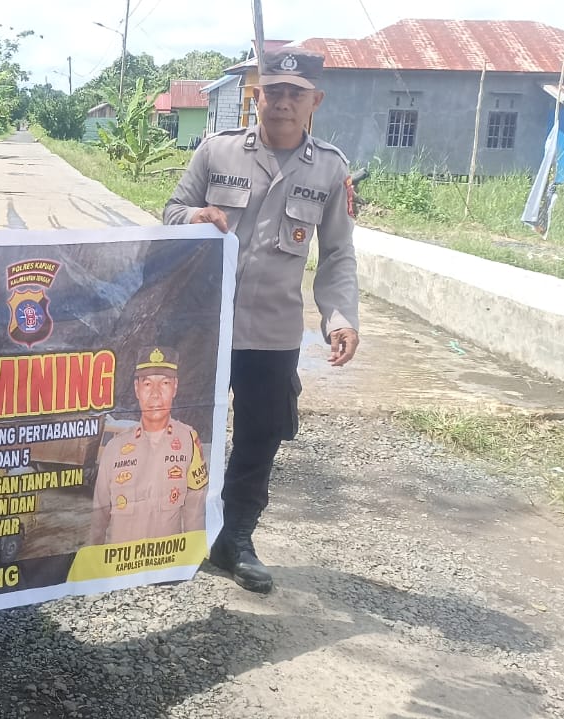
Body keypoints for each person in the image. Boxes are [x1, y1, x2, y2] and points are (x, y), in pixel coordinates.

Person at [161, 48, 359, 594]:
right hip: (203, 323)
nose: (283, 102)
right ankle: (171, 538)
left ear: (315, 101)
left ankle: (235, 540)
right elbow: (171, 212)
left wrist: (340, 318)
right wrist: (195, 216)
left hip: (272, 333)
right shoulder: (216, 151)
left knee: (259, 437)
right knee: (185, 430)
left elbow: (338, 254)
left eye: (297, 93)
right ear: (257, 96)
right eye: (274, 91)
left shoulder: (330, 168)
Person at [90, 347, 208, 545]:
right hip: (121, 560)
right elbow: (99, 515)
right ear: (137, 389)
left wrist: (194, 555)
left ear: (175, 387)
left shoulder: (188, 440)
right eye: (147, 384)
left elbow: (194, 512)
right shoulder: (114, 448)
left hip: (168, 560)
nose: (155, 394)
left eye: (165, 383)